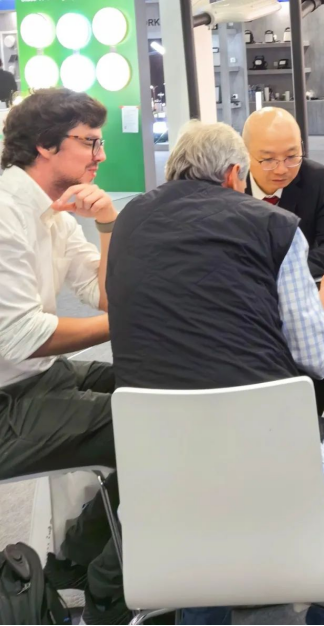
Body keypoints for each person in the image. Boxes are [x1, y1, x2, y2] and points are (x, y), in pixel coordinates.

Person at [106, 120, 324, 626]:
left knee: (202, 498)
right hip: (278, 508)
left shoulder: (128, 221)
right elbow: (318, 358)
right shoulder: (272, 226)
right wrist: (316, 311)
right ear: (235, 174)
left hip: (163, 515)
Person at [0, 88, 122, 623]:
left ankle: (77, 563)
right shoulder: (6, 213)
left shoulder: (54, 211)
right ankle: (110, 590)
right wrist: (126, 323)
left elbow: (105, 295)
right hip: (8, 402)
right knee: (157, 422)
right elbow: (21, 336)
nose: (101, 155)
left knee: (150, 384)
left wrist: (108, 224)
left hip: (35, 379)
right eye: (90, 142)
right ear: (46, 145)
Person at [243, 107, 324, 278]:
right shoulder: (226, 183)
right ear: (244, 153)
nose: (281, 169)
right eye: (268, 159)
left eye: (291, 156)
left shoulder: (316, 179)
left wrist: (285, 272)